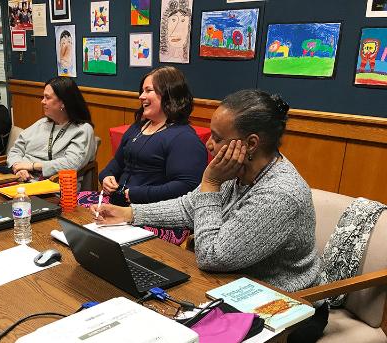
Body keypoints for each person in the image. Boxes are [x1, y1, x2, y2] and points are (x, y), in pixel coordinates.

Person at [92, 89, 327, 342]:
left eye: (217, 137)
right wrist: (129, 213)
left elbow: (212, 256)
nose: (209, 144)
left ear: (250, 144)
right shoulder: (238, 169)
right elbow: (188, 207)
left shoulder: (280, 194)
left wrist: (211, 183)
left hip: (290, 309)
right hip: (236, 288)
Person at [98, 66, 206, 207]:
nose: (141, 96)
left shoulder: (184, 138)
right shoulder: (137, 127)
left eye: (148, 90)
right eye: (142, 91)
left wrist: (136, 194)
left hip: (150, 212)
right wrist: (106, 176)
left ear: (169, 94)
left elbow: (186, 186)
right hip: (118, 202)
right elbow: (117, 163)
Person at [7, 77, 96, 183]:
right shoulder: (42, 123)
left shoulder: (82, 129)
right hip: (20, 178)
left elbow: (71, 163)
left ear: (63, 103)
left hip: (53, 186)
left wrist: (33, 166)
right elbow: (16, 149)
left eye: (47, 98)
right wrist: (18, 166)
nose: (42, 101)